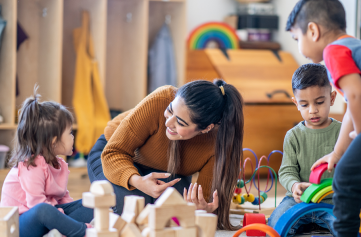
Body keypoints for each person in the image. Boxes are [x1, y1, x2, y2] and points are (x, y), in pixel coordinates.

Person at [287, 0, 361, 236]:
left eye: (297, 39)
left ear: (313, 31)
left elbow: (358, 96)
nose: (299, 47)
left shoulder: (334, 51)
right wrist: (337, 153)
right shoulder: (353, 47)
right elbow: (351, 104)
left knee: (345, 178)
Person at [87, 79, 244, 230]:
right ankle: (65, 213)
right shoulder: (161, 98)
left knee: (172, 211)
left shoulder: (218, 144)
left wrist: (201, 210)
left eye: (181, 123)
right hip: (113, 153)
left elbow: (205, 199)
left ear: (206, 128)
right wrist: (138, 181)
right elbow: (113, 152)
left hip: (167, 171)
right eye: (170, 110)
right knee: (129, 207)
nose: (168, 123)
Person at [1, 87, 93, 237]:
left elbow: (64, 198)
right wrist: (64, 218)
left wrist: (66, 216)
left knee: (89, 203)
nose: (73, 137)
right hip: (21, 225)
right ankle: (83, 232)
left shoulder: (59, 164)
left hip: (49, 216)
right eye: (69, 133)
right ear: (53, 141)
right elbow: (37, 205)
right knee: (44, 209)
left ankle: (64, 230)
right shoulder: (32, 165)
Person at [268, 63, 340, 236]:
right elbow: (287, 170)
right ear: (296, 103)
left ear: (331, 98)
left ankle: (316, 225)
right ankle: (308, 225)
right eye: (304, 104)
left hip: (333, 201)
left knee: (351, 227)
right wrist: (294, 186)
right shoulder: (293, 136)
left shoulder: (342, 133)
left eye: (320, 102)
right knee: (275, 224)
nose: (313, 110)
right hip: (297, 201)